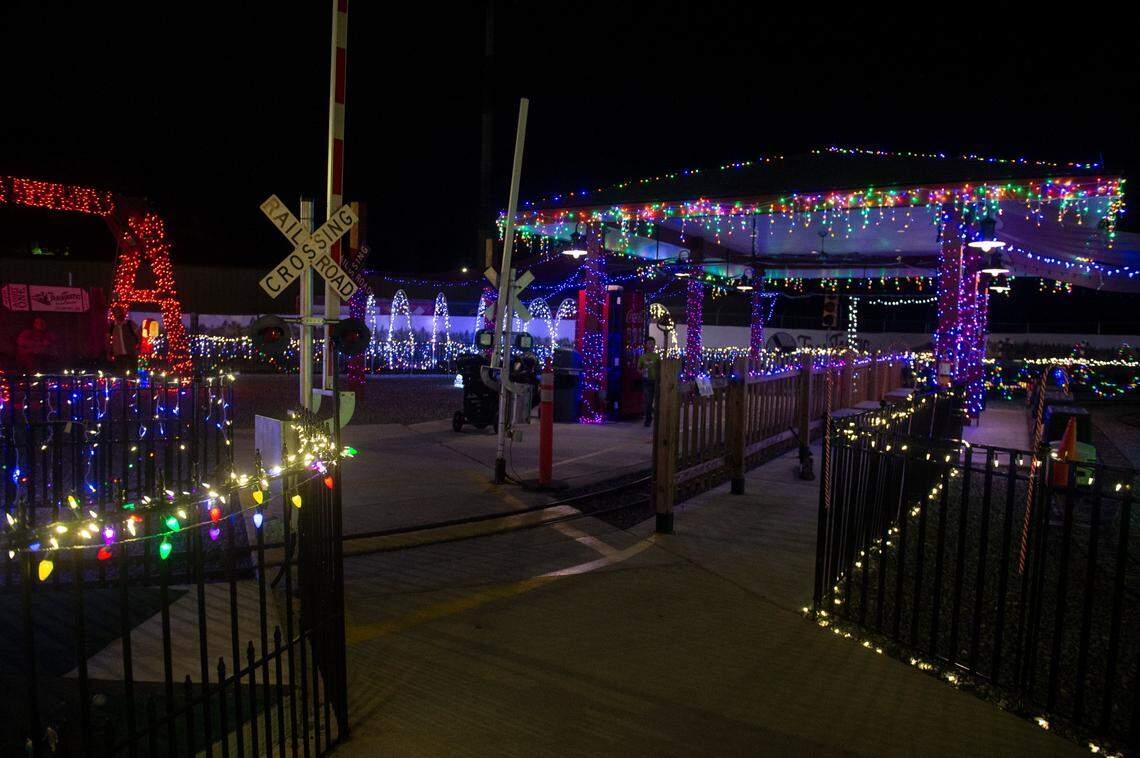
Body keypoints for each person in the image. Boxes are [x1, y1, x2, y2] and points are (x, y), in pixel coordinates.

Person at [637, 336, 660, 427]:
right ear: (646, 345)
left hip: (656, 381)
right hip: (646, 381)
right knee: (648, 401)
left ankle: (654, 417)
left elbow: (661, 368)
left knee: (656, 400)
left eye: (652, 343)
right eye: (649, 343)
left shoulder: (657, 357)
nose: (651, 345)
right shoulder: (643, 357)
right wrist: (641, 371)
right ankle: (648, 420)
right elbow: (638, 368)